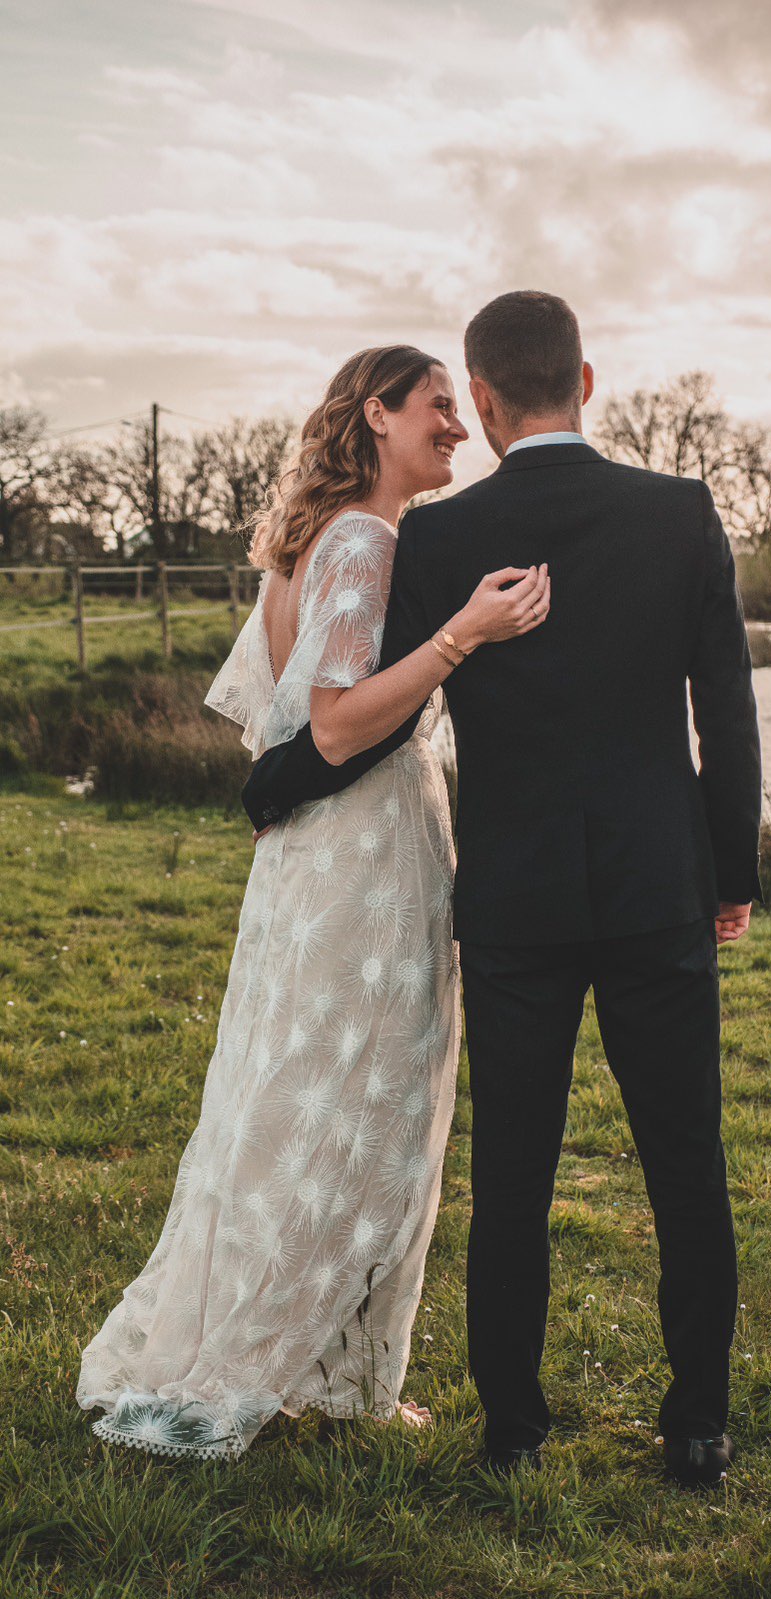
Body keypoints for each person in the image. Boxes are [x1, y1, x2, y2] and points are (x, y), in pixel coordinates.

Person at [241, 291, 764, 1486]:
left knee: (513, 1173)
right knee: (687, 1161)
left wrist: (279, 779)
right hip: (656, 892)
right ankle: (696, 1428)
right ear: (587, 380)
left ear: (481, 397)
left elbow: (388, 712)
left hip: (516, 902)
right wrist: (728, 874)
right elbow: (723, 716)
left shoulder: (432, 539)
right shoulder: (681, 515)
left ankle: (515, 1431)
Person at [76, 344, 550, 1461]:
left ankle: (305, 1363)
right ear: (378, 414)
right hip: (368, 865)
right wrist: (459, 641)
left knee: (292, 1100)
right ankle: (290, 1366)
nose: (457, 426)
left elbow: (273, 728)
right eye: (438, 407)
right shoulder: (363, 542)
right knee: (362, 1114)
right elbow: (335, 724)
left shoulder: (310, 541)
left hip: (315, 855)